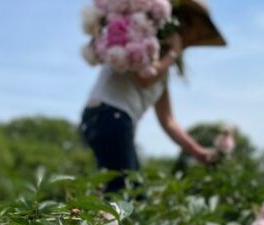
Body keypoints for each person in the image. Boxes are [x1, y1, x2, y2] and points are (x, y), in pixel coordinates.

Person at [80, 0, 227, 192]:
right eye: (187, 24)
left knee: (127, 192)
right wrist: (173, 52)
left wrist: (198, 152)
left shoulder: (162, 69)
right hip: (108, 115)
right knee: (125, 194)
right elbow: (144, 78)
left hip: (115, 122)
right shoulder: (138, 43)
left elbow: (168, 121)